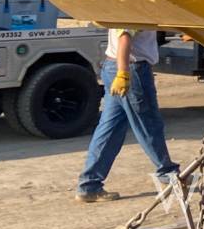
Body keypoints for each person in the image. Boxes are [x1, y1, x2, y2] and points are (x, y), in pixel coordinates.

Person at [75, 27, 179, 202]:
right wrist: (124, 74)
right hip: (131, 69)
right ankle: (167, 174)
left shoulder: (121, 4)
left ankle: (89, 185)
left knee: (110, 129)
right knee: (148, 125)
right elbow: (124, 37)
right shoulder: (134, 7)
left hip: (112, 66)